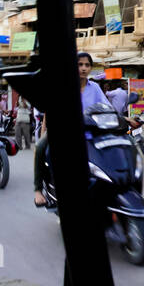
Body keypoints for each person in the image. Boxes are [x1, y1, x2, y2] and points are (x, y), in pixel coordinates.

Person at [33, 53, 106, 208]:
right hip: (63, 131)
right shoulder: (64, 86)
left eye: (87, 65)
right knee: (40, 148)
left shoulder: (96, 89)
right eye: (80, 65)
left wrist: (125, 119)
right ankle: (38, 190)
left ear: (91, 68)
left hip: (91, 131)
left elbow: (108, 108)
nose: (84, 68)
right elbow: (50, 111)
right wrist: (44, 131)